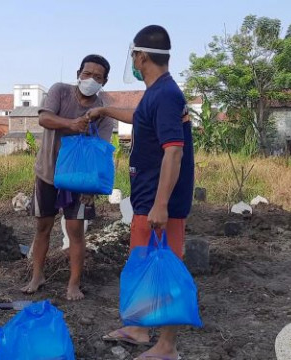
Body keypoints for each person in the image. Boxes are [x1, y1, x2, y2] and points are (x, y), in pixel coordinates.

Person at [87, 25, 194, 359]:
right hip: (148, 198)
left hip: (162, 204)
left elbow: (174, 151)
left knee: (167, 268)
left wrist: (161, 205)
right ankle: (137, 327)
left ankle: (167, 347)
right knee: (143, 263)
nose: (132, 61)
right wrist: (104, 110)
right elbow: (139, 116)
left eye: (133, 56)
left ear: (142, 56)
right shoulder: (157, 93)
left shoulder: (165, 94)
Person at [21, 54, 116, 301]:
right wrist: (72, 124)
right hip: (48, 173)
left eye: (97, 76)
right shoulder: (60, 91)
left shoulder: (104, 110)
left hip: (81, 179)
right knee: (43, 226)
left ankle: (73, 284)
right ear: (78, 74)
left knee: (75, 230)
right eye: (87, 74)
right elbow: (44, 118)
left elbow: (101, 147)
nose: (91, 79)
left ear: (104, 81)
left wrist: (91, 187)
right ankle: (37, 275)